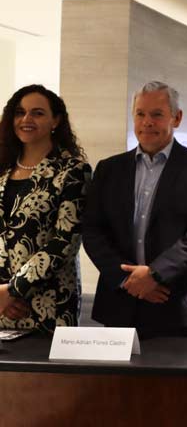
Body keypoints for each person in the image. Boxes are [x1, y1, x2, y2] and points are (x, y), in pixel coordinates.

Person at [82, 81, 187, 338]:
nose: (147, 122)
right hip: (120, 302)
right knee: (116, 381)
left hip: (181, 303)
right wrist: (128, 279)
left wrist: (155, 275)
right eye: (140, 114)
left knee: (183, 381)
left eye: (157, 114)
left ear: (176, 118)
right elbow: (92, 230)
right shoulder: (108, 169)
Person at [0, 85, 91, 334]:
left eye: (37, 113)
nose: (26, 119)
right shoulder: (2, 168)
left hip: (50, 305)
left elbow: (65, 242)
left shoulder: (72, 171)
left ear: (56, 120)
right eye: (20, 112)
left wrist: (13, 290)